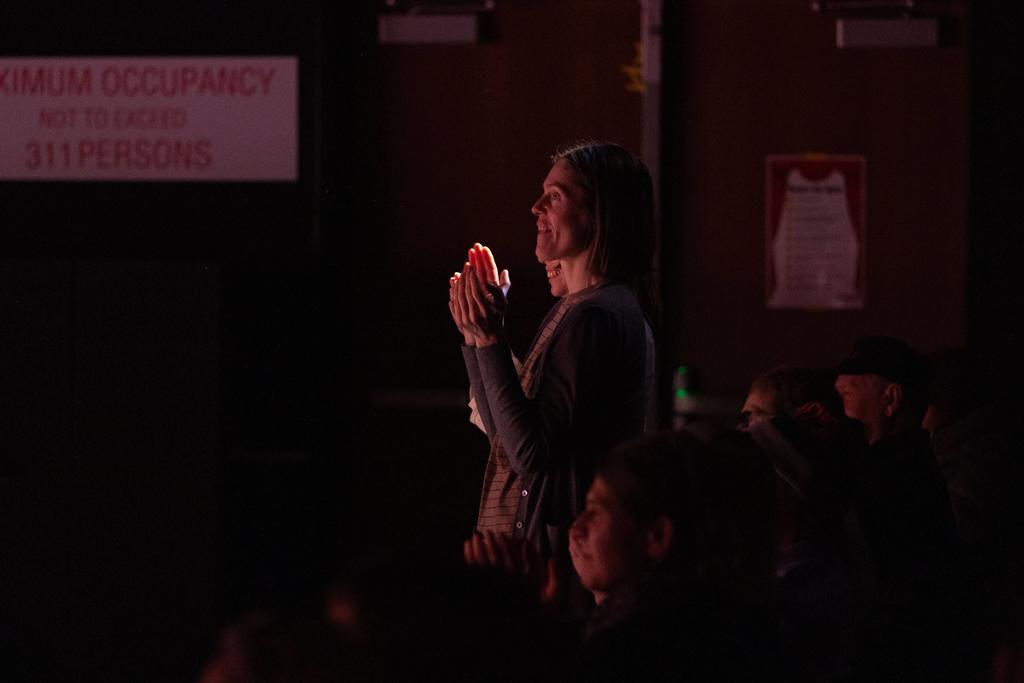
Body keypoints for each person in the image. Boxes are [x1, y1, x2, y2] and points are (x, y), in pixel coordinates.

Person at [448, 141, 658, 615]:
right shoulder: (576, 310)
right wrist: (476, 334)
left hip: (562, 569)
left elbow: (531, 454)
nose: (536, 207)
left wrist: (489, 341)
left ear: (600, 214)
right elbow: (506, 437)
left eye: (556, 196)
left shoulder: (597, 316)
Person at [833, 335, 973, 681]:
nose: (837, 410)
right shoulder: (914, 467)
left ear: (891, 399)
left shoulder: (890, 478)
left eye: (846, 395)